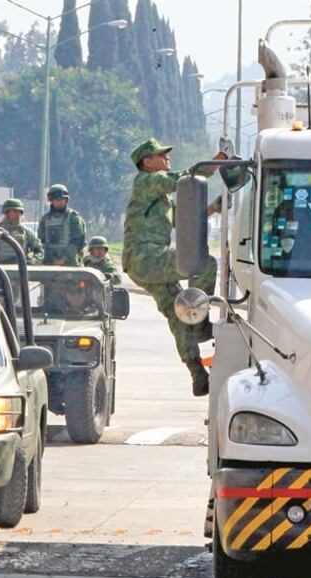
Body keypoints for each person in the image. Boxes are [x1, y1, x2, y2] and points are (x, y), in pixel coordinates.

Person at [123, 138, 226, 396]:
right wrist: (216, 162)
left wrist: (213, 207)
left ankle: (196, 371)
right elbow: (185, 180)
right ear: (147, 162)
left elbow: (183, 218)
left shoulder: (158, 195)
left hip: (141, 262)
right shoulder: (148, 181)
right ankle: (201, 324)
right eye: (161, 155)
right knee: (203, 263)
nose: (167, 158)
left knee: (178, 312)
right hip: (146, 256)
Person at [39, 184, 86, 266]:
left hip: (69, 263)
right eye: (57, 199)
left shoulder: (73, 218)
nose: (61, 202)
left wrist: (64, 259)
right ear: (51, 200)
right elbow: (42, 242)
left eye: (63, 199)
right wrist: (51, 259)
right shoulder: (45, 219)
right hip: (49, 263)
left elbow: (77, 242)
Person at [0, 198, 44, 265]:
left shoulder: (26, 232)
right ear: (6, 212)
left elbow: (39, 251)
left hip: (20, 268)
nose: (18, 214)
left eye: (19, 211)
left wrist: (33, 260)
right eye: (14, 211)